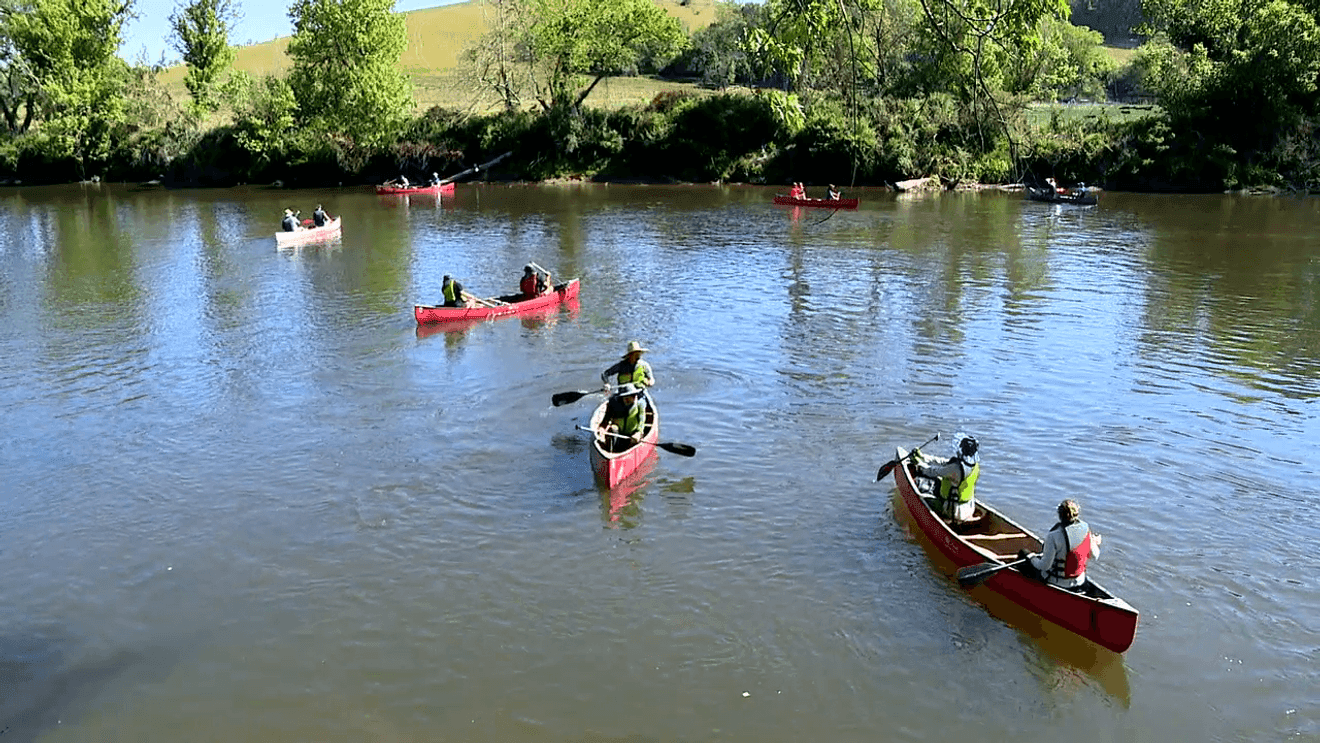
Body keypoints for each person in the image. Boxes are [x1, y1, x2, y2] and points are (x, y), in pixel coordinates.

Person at [1019, 499, 1102, 591]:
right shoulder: (1086, 529)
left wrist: (1031, 557)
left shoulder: (1053, 536)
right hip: (1080, 581)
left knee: (1023, 553)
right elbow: (1095, 556)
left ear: (1059, 515)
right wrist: (1093, 542)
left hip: (1058, 582)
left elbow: (1044, 566)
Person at [913, 433, 980, 523]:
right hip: (969, 508)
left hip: (954, 511)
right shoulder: (975, 466)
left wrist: (918, 464)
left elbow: (932, 472)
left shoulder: (955, 468)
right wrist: (923, 457)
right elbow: (944, 462)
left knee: (924, 499)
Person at [599, 382, 648, 453]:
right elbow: (605, 421)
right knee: (613, 428)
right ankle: (612, 451)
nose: (628, 399)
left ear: (635, 396)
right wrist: (601, 430)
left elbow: (642, 421)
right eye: (625, 397)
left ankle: (628, 451)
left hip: (632, 436)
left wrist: (639, 432)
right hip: (618, 435)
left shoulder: (640, 405)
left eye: (631, 396)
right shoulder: (614, 405)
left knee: (635, 439)